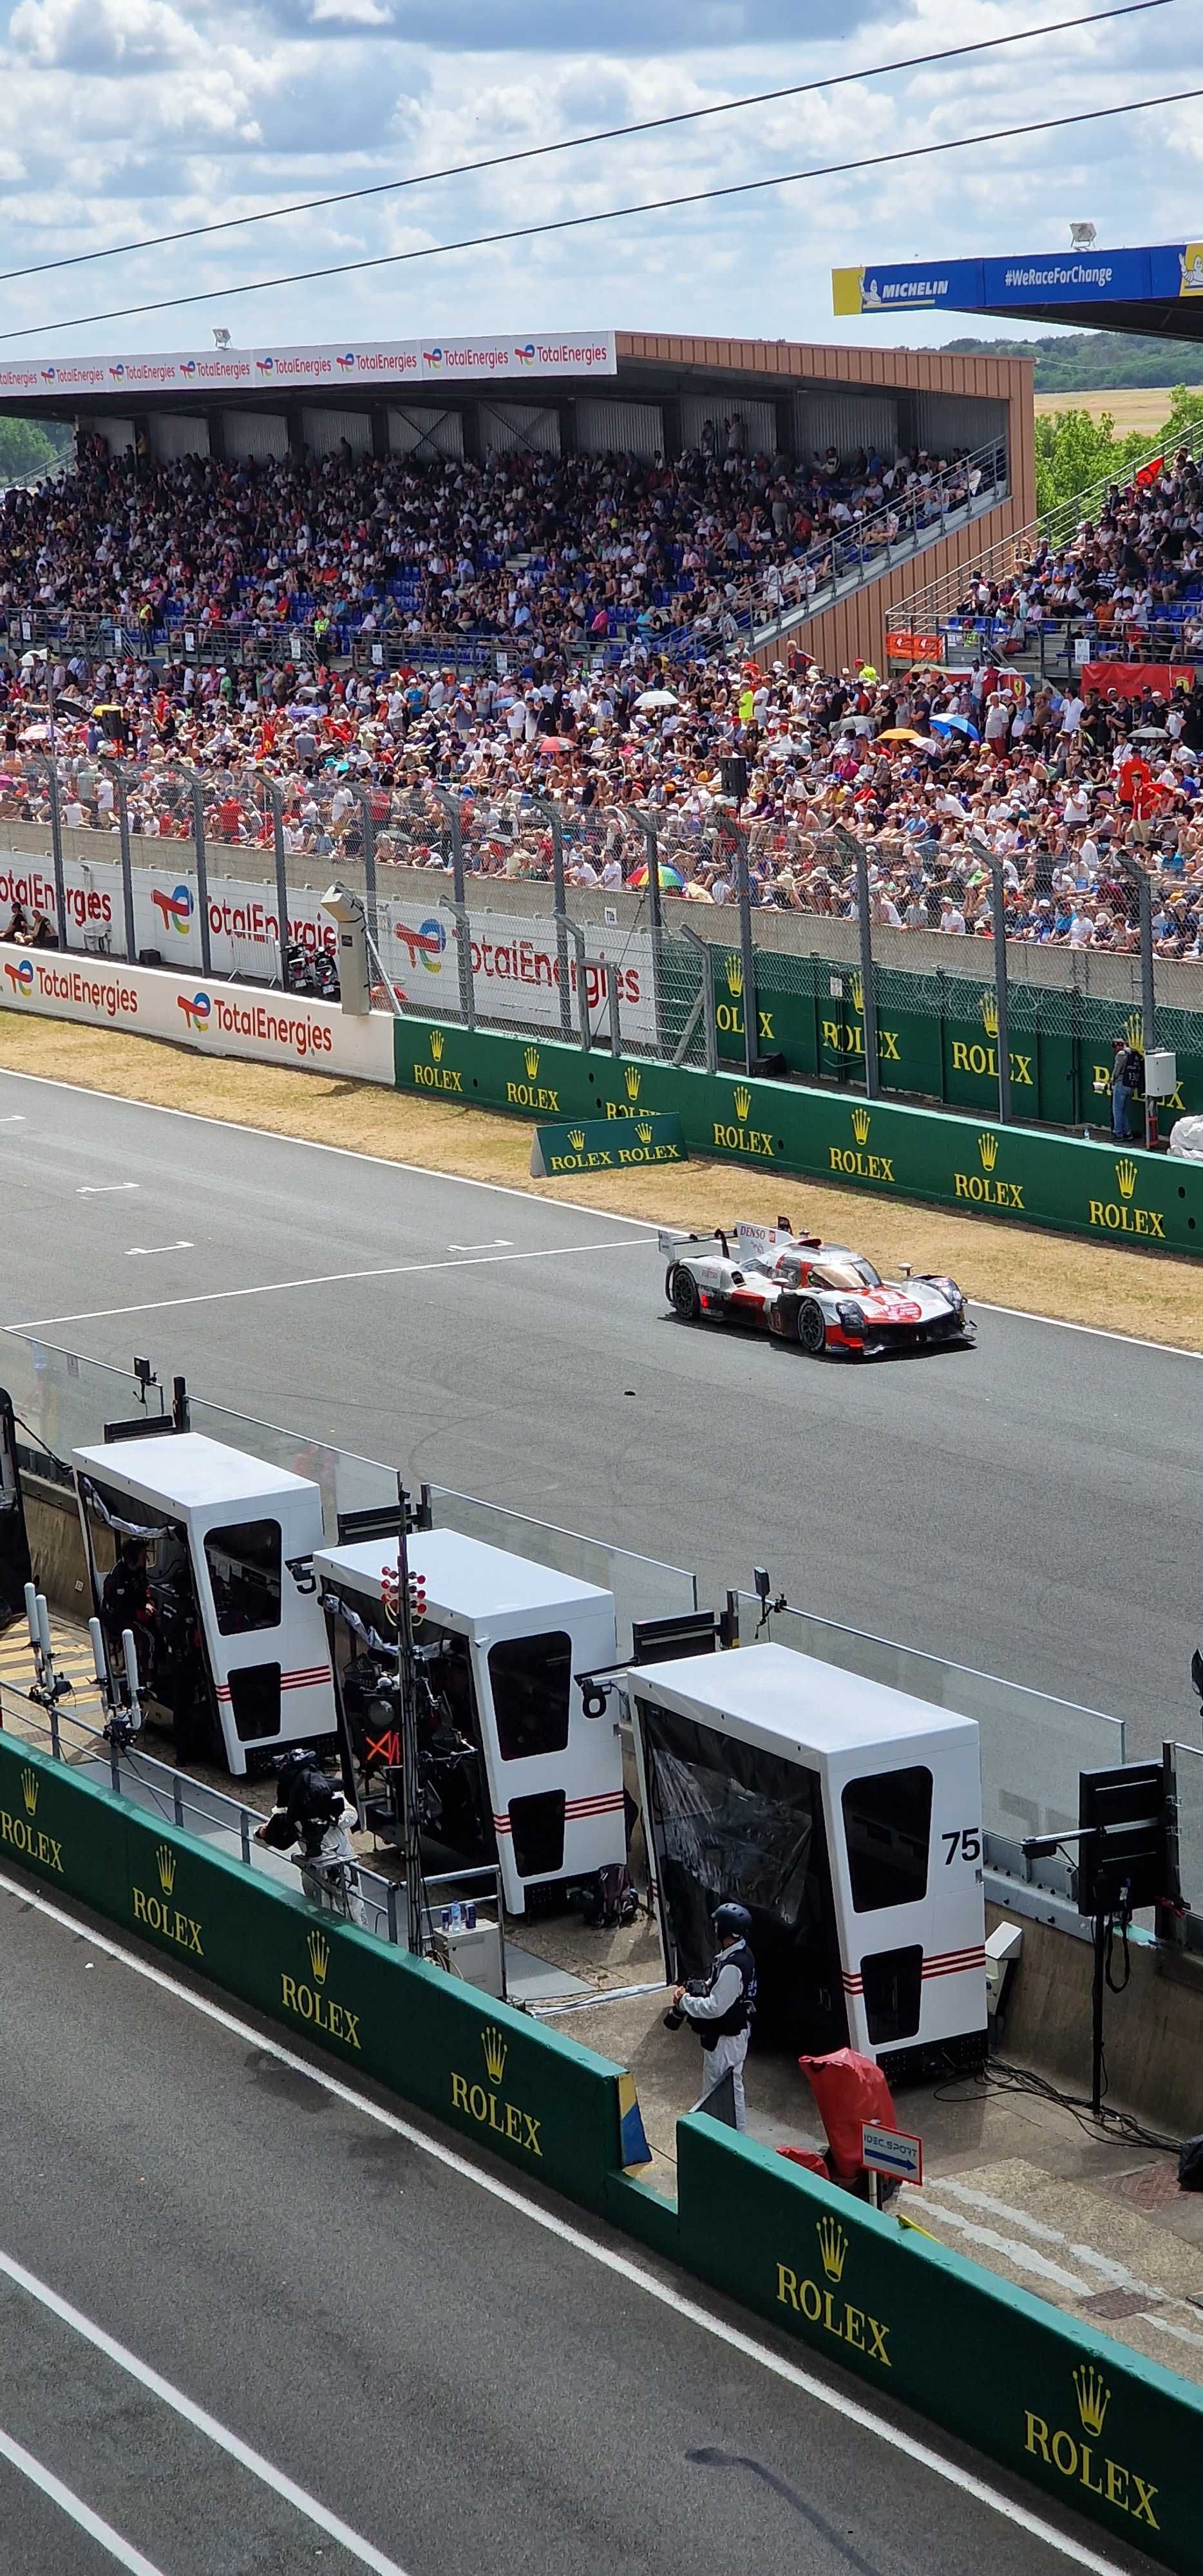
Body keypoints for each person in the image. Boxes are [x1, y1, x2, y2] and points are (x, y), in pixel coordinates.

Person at [672, 1901, 757, 2131]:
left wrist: (684, 2002)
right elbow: (720, 1988)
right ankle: (735, 2137)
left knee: (720, 2093)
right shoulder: (738, 1954)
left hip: (726, 2041)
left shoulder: (734, 1966)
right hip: (731, 2035)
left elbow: (715, 2007)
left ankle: (732, 2140)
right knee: (730, 2088)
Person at [1111, 1034, 1144, 1140]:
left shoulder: (1122, 1054)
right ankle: (1127, 1132)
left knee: (1117, 1110)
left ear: (1117, 1046)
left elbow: (1117, 1070)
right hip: (1131, 1085)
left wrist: (1112, 1079)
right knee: (1123, 1110)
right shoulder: (1134, 1054)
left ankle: (1118, 1133)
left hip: (1121, 1084)